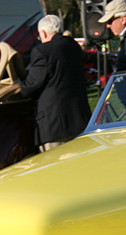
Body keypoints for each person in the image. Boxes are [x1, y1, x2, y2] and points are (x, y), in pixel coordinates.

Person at [19, 15, 92, 152]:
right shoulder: (73, 46)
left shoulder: (42, 51)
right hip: (79, 118)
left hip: (55, 125)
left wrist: (20, 86)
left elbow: (32, 85)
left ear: (43, 33)